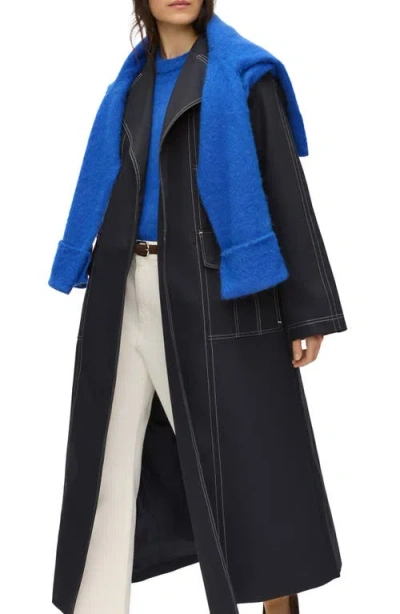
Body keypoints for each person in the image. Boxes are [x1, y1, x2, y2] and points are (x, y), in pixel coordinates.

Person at [48, 2, 347, 614]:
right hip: (120, 287)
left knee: (246, 464)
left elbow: (284, 187)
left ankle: (278, 604)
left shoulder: (244, 75)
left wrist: (308, 309)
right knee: (105, 463)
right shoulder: (129, 87)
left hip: (216, 296)